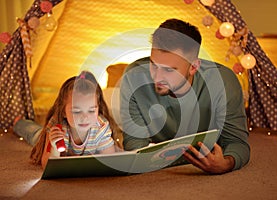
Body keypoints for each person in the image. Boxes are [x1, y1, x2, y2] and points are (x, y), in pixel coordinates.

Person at [119, 18, 250, 174]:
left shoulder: (223, 81)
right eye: (154, 65)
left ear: (193, 67)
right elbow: (135, 147)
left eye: (169, 70)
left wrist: (226, 164)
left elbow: (237, 143)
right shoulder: (133, 77)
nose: (157, 77)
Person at [14, 71, 123, 169]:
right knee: (35, 134)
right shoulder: (57, 127)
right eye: (76, 111)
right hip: (48, 137)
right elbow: (47, 165)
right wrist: (54, 148)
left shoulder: (101, 127)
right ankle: (19, 122)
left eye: (91, 111)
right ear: (63, 112)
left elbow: (109, 161)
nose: (85, 117)